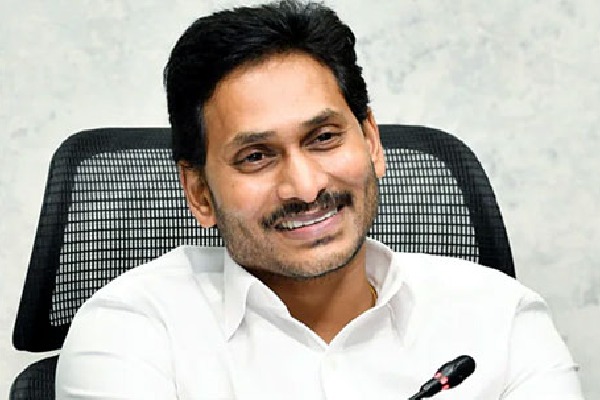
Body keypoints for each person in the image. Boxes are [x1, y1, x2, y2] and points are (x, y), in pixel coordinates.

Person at [55, 1, 584, 399]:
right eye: (256, 156)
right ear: (199, 193)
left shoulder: (501, 320)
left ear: (371, 142)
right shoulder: (131, 331)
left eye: (324, 138)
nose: (305, 188)